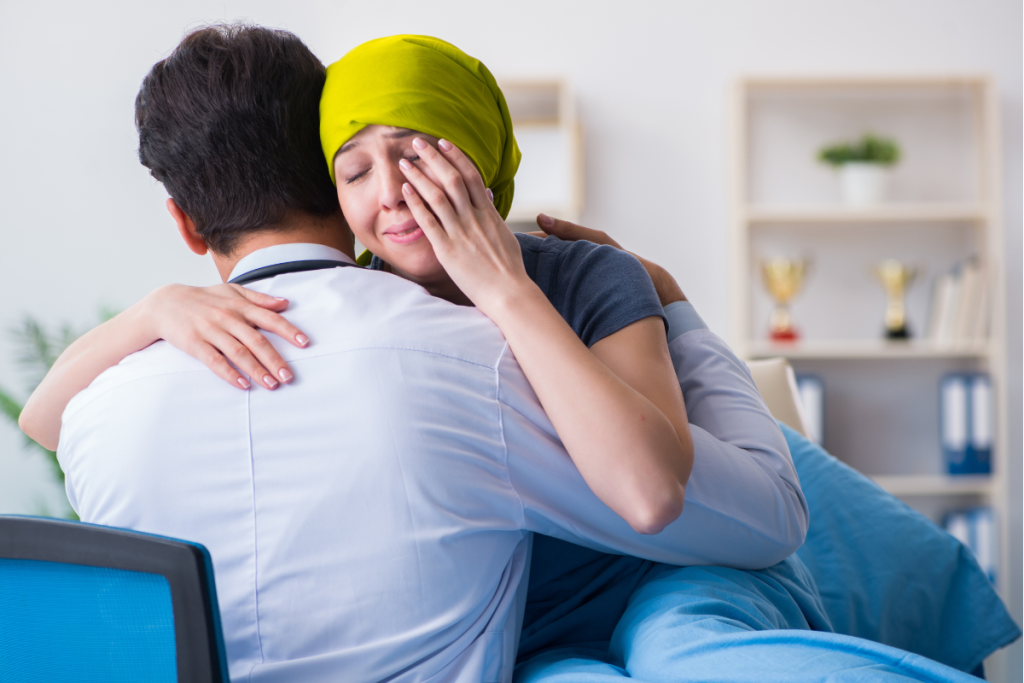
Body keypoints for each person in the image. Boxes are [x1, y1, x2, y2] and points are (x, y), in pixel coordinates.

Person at [21, 25, 806, 681]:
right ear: (334, 185)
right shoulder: (475, 357)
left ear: (185, 224)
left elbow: (44, 422)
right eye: (358, 166)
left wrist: (151, 311)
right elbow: (751, 514)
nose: (393, 189)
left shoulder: (101, 408)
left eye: (415, 158)